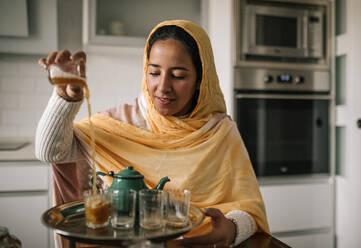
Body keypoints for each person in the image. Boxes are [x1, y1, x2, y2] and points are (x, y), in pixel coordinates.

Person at [36, 20, 270, 247]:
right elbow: (50, 152)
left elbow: (249, 209)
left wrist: (232, 228)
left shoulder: (220, 132)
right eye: (154, 73)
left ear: (201, 79)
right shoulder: (120, 122)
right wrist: (66, 98)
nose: (163, 86)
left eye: (178, 75)